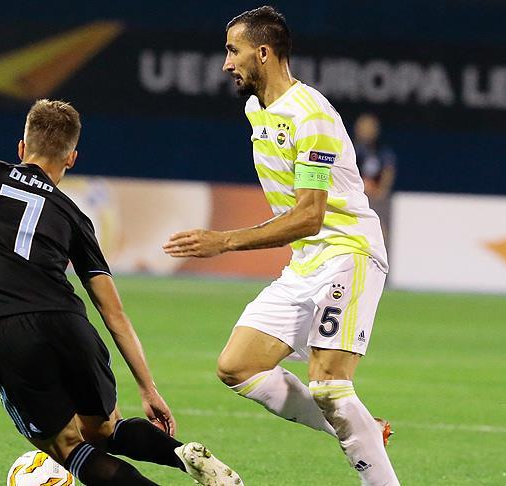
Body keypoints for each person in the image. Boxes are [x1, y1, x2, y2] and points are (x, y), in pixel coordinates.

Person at [0, 99, 242, 486]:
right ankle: (180, 454)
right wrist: (148, 388)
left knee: (67, 448)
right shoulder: (74, 215)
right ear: (72, 158)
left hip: (9, 327)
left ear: (21, 147)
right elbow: (113, 312)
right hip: (71, 325)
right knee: (104, 429)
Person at [162, 7, 399, 486]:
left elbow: (310, 215)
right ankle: (363, 430)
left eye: (233, 51)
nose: (226, 63)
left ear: (264, 52)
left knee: (330, 385)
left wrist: (224, 241)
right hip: (307, 262)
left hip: (347, 252)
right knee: (237, 366)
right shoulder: (257, 109)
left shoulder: (311, 116)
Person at [353, 113, 396, 239]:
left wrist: (380, 190)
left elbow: (388, 172)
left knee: (380, 231)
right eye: (364, 127)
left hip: (377, 200)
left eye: (371, 127)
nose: (367, 130)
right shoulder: (350, 151)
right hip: (355, 197)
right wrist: (360, 187)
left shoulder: (383, 152)